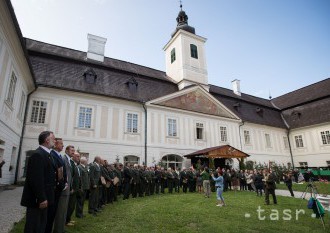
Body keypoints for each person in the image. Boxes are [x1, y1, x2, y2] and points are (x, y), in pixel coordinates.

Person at [21, 131, 56, 233]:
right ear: (47, 140)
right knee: (34, 226)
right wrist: (42, 198)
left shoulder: (47, 154)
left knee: (40, 226)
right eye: (53, 138)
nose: (55, 140)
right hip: (37, 200)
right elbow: (36, 179)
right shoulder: (38, 155)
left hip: (44, 198)